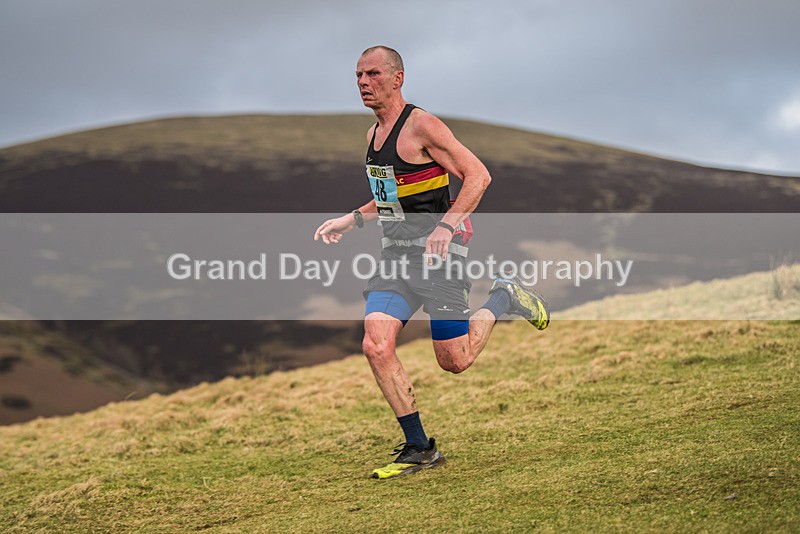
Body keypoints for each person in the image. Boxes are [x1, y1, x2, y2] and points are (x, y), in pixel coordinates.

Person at [314, 45, 549, 479]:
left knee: (454, 360)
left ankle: (503, 297)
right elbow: (392, 199)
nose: (363, 82)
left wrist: (447, 224)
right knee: (375, 345)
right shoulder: (372, 137)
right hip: (396, 258)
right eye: (359, 75)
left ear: (398, 78)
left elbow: (478, 175)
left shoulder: (422, 125)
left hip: (441, 257)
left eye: (373, 74)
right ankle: (420, 448)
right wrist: (352, 219)